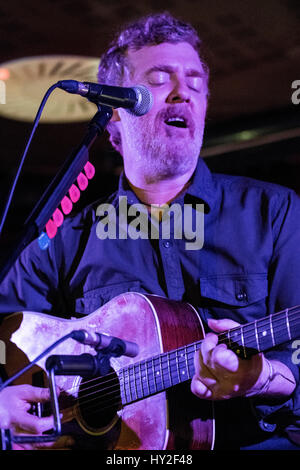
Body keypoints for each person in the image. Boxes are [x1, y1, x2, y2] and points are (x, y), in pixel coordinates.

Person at [0, 12, 299, 450]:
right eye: (159, 80)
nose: (184, 94)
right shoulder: (67, 238)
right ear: (116, 115)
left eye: (196, 84)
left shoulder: (274, 213)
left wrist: (262, 378)